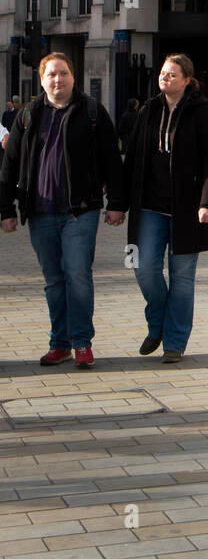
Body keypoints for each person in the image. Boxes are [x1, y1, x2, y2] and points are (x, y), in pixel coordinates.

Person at [0, 53, 125, 369]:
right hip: (40, 212)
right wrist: (6, 209)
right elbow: (9, 165)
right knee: (54, 280)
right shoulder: (28, 115)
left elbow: (112, 159)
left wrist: (117, 205)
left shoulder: (93, 112)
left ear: (74, 77)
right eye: (52, 74)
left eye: (64, 73)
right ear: (42, 79)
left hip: (80, 212)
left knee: (77, 274)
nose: (59, 79)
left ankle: (82, 342)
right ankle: (60, 343)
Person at [122, 53, 208, 363]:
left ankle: (174, 342)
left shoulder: (201, 110)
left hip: (187, 209)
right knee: (142, 267)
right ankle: (157, 323)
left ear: (187, 80)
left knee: (182, 278)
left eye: (172, 74)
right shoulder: (149, 110)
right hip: (149, 207)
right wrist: (117, 202)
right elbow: (133, 157)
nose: (165, 78)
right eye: (163, 73)